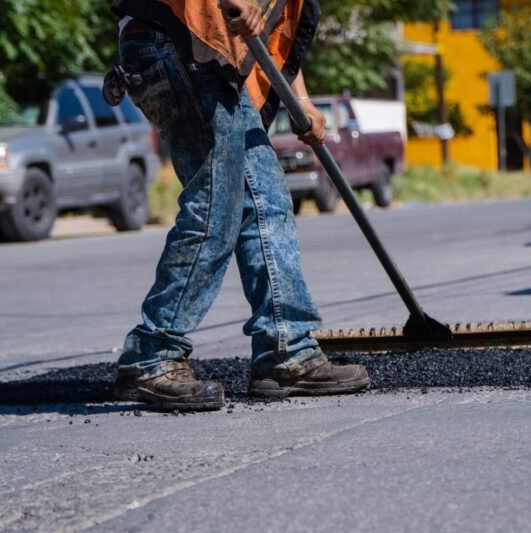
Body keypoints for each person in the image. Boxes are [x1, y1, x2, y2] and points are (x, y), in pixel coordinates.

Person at [109, 0, 370, 411]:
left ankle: (286, 349)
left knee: (268, 201)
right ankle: (152, 353)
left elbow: (271, 36)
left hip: (214, 63)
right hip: (176, 42)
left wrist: (300, 99)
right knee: (216, 203)